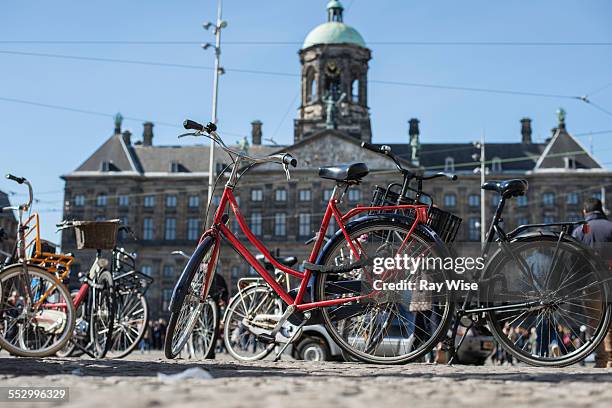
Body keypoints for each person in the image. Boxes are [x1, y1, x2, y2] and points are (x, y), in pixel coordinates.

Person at [573, 197, 612, 368]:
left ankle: (601, 360)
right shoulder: (610, 227)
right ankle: (610, 360)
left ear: (585, 211)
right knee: (610, 322)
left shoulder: (580, 230)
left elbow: (572, 260)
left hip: (589, 284)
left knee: (594, 323)